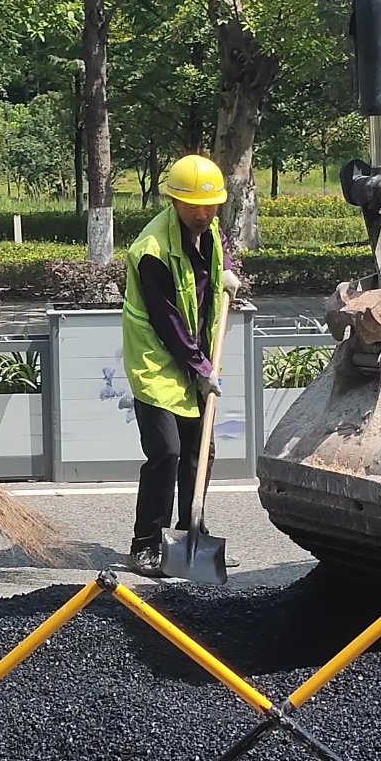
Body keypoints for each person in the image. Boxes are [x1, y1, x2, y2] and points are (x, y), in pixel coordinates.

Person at [120, 154, 233, 578]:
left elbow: (203, 285)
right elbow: (167, 318)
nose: (204, 214)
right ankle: (146, 545)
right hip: (155, 358)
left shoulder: (210, 231)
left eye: (212, 206)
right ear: (175, 202)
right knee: (166, 452)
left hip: (193, 354)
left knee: (200, 451)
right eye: (195, 206)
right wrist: (201, 366)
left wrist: (224, 283)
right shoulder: (152, 250)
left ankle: (192, 537)